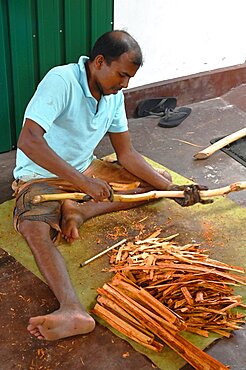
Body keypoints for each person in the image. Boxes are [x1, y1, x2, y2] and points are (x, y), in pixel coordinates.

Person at [12, 30, 210, 341]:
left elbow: (127, 154)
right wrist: (83, 182)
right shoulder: (61, 80)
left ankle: (79, 212)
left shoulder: (113, 95)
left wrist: (176, 193)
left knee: (159, 182)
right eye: (121, 75)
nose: (125, 85)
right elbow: (28, 140)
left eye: (129, 78)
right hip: (41, 174)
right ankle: (72, 308)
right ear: (99, 62)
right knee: (34, 228)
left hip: (86, 167)